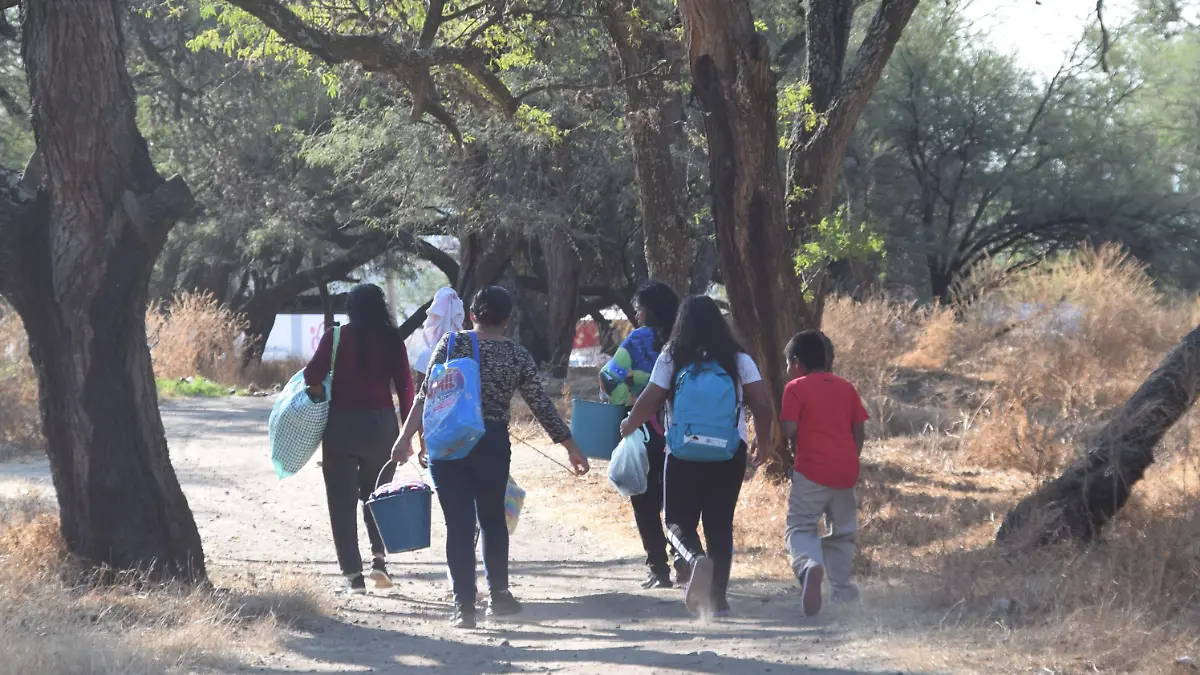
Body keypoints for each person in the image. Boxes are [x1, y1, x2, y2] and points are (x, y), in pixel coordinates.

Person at [392, 286, 590, 629]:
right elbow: (541, 405)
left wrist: (404, 438)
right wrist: (570, 446)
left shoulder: (452, 344)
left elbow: (425, 397)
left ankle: (464, 608)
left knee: (459, 525)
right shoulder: (516, 355)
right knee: (492, 520)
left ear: (472, 315)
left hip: (448, 444)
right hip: (492, 443)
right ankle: (499, 596)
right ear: (508, 319)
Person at [620, 295, 774, 617]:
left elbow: (651, 397)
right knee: (720, 524)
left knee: (676, 520)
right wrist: (764, 437)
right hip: (729, 452)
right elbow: (761, 401)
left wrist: (629, 423)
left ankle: (693, 559)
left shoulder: (673, 355)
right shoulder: (737, 358)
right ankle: (718, 599)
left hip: (682, 453)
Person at [304, 284, 414, 595]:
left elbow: (311, 375)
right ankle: (379, 560)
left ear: (350, 308)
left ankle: (354, 576)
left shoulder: (336, 336)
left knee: (341, 502)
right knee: (377, 496)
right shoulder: (393, 340)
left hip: (341, 425)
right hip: (381, 426)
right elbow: (406, 389)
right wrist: (408, 435)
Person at [600, 281, 689, 589]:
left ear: (647, 310)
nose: (636, 316)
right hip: (683, 432)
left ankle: (659, 569)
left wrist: (627, 393)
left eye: (637, 309)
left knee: (645, 501)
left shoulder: (638, 340)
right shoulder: (686, 340)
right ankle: (684, 557)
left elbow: (608, 379)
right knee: (679, 501)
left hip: (646, 431)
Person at [779, 330, 868, 618]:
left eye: (787, 363)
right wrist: (849, 457)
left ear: (796, 363)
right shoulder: (847, 387)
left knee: (800, 527)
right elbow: (859, 431)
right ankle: (842, 589)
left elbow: (790, 429)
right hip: (846, 470)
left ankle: (808, 566)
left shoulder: (795, 388)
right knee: (842, 533)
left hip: (812, 470)